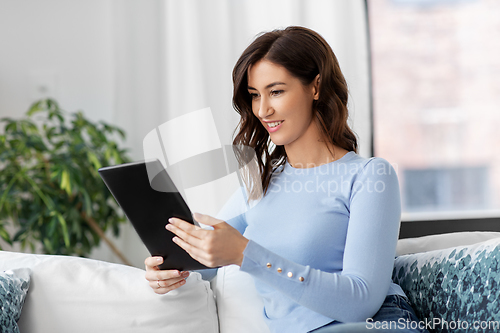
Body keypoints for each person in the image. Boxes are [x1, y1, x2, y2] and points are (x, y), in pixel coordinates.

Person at [144, 26, 429, 333]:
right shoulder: (258, 185)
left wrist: (245, 253)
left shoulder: (370, 176)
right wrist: (168, 270)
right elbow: (204, 259)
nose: (263, 110)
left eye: (276, 91)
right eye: (255, 95)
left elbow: (360, 301)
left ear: (315, 87)